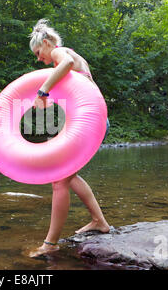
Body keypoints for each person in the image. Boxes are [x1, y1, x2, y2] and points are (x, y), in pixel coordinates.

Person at [28, 19, 110, 257]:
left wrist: (43, 91)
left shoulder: (61, 53)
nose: (38, 58)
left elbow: (67, 63)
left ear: (45, 43)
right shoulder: (68, 59)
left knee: (59, 179)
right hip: (92, 120)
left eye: (37, 52)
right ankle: (99, 221)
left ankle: (50, 245)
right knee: (68, 175)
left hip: (90, 121)